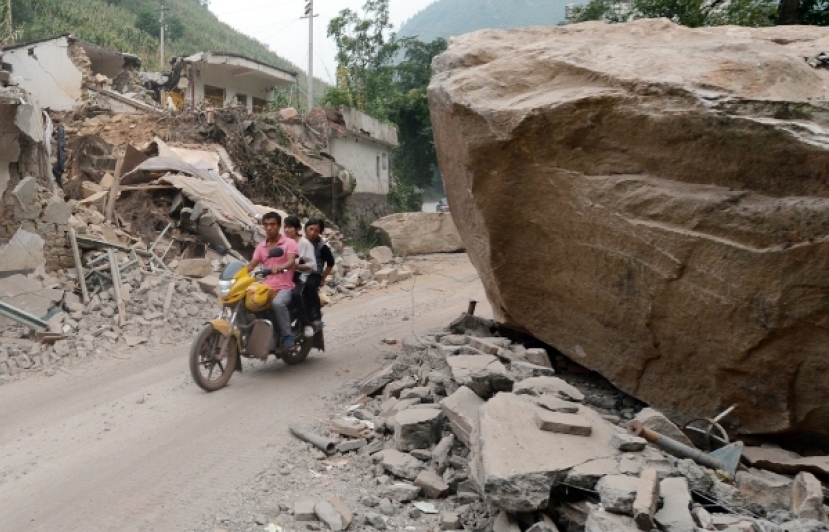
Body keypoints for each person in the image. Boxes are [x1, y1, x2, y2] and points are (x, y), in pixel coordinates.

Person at [246, 212, 298, 347]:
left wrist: (280, 267)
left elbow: (291, 261)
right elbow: (252, 265)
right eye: (266, 225)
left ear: (279, 226)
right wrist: (237, 275)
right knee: (246, 300)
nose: (269, 228)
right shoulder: (261, 246)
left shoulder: (289, 243)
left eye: (272, 224)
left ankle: (287, 336)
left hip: (285, 287)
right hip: (266, 286)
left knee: (278, 303)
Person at [283, 215, 317, 338]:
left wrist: (296, 266)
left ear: (297, 228)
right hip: (285, 276)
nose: (286, 230)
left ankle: (306, 324)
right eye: (285, 227)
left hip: (301, 276)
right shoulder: (283, 242)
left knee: (296, 294)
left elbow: (312, 265)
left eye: (290, 227)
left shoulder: (304, 243)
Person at [304, 217, 335, 332]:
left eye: (316, 231)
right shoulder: (300, 242)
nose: (312, 233)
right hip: (300, 272)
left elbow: (330, 263)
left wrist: (322, 278)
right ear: (306, 228)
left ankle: (316, 317)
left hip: (314, 274)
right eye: (311, 229)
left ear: (319, 232)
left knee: (309, 286)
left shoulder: (322, 247)